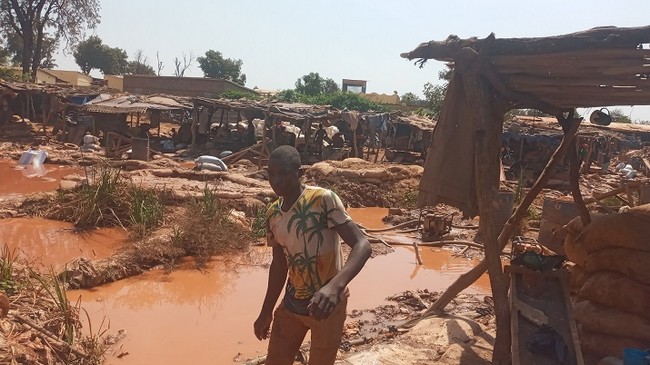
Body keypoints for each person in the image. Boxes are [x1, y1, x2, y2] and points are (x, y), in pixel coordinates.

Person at [254, 146, 371, 365]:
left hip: (326, 306)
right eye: (271, 174)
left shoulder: (323, 199)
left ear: (299, 173)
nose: (276, 180)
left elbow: (362, 245)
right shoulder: (272, 213)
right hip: (292, 304)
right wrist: (266, 311)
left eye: (283, 173)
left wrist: (334, 287)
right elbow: (279, 265)